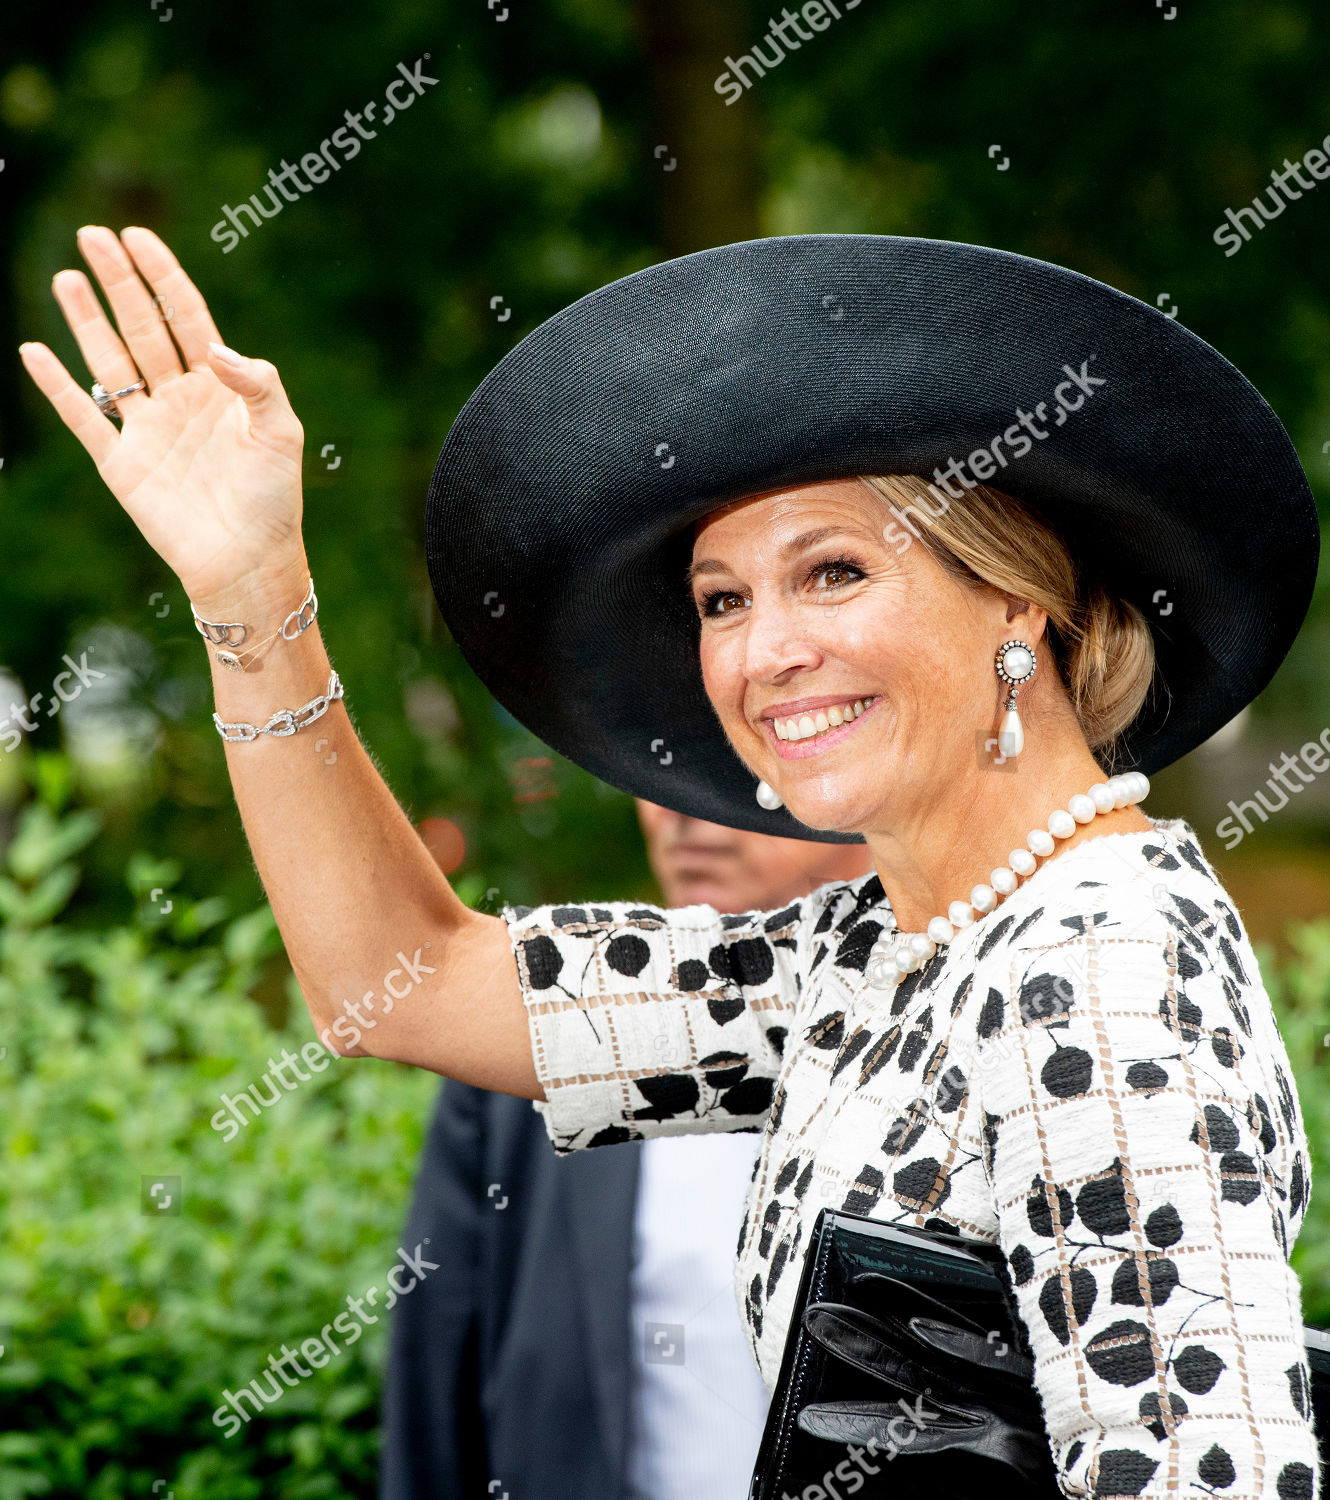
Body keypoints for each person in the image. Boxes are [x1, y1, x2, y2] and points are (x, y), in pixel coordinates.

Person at [20, 226, 1320, 1498]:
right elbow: (401, 980)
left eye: (830, 570)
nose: (763, 655)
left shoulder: (1101, 959)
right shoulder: (871, 948)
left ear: (1014, 598)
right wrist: (252, 595)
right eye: (720, 600)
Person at [379, 799, 872, 1500]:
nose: (682, 813)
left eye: (727, 769)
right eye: (651, 773)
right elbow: (434, 1386)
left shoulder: (971, 1022)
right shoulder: (537, 1053)